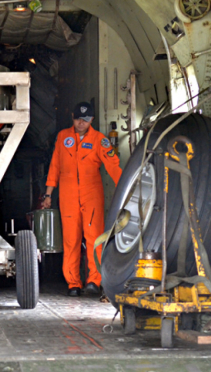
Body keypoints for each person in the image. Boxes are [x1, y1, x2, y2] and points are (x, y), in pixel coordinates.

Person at [42, 102, 122, 297]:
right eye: (78, 119)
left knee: (94, 238)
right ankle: (73, 283)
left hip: (91, 195)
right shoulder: (63, 137)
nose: (81, 123)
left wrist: (125, 189)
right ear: (72, 117)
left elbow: (113, 166)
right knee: (71, 240)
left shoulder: (100, 140)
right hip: (68, 195)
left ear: (92, 120)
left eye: (85, 120)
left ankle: (94, 280)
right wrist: (48, 194)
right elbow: (55, 166)